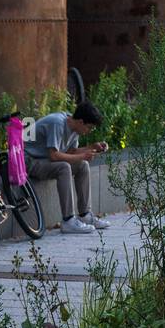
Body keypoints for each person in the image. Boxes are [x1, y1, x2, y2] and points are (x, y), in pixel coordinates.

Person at [24, 100, 110, 234]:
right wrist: (83, 155)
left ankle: (85, 216)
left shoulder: (75, 128)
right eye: (89, 127)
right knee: (64, 167)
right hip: (29, 161)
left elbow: (70, 152)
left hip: (44, 161)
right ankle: (68, 220)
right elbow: (54, 155)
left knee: (82, 165)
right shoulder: (57, 123)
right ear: (81, 122)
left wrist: (91, 148)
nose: (89, 131)